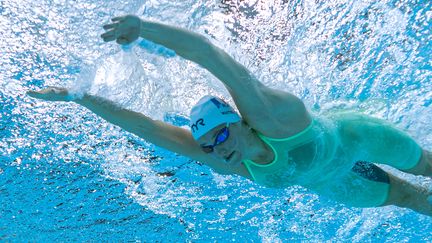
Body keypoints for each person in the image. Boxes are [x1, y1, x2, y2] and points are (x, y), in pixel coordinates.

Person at [27, 14, 432, 216]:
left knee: (427, 167)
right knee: (409, 197)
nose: (218, 152)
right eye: (208, 146)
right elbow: (144, 126)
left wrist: (143, 27)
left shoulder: (272, 116)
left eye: (220, 138)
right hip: (336, 181)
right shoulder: (224, 159)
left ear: (237, 122)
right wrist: (80, 97)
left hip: (358, 138)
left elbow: (209, 55)